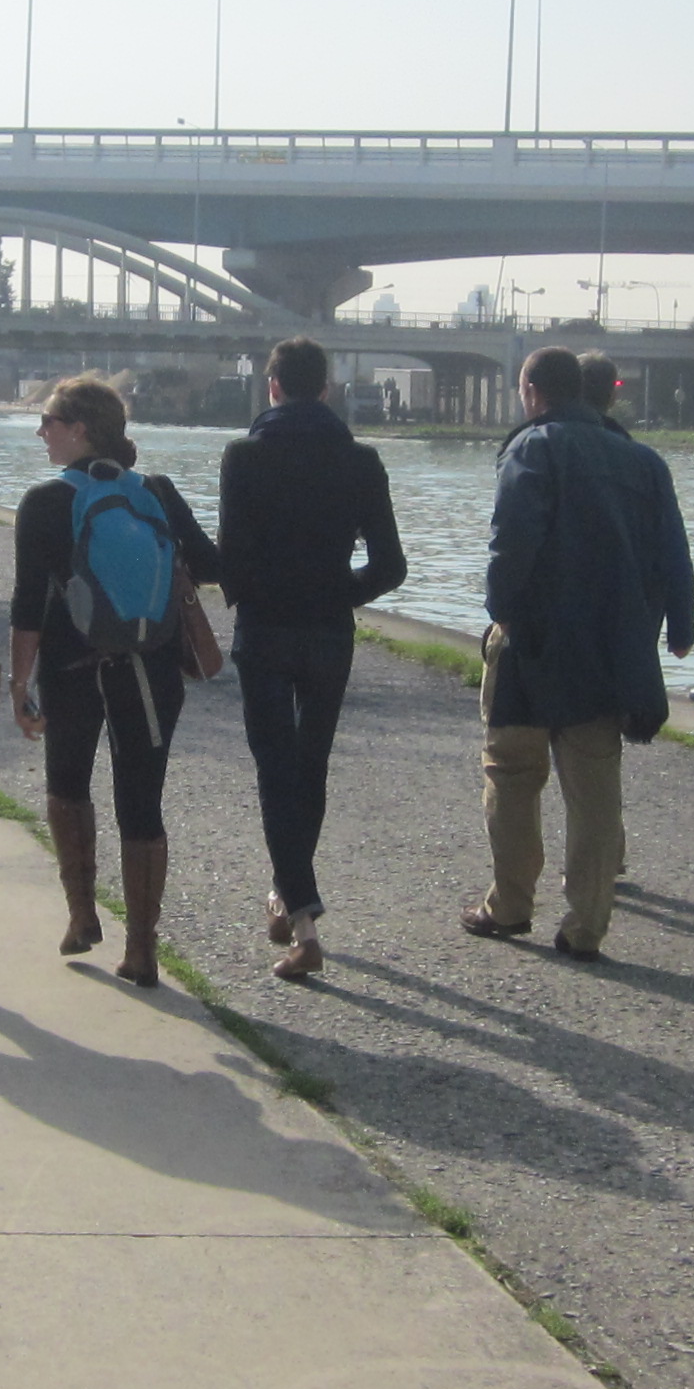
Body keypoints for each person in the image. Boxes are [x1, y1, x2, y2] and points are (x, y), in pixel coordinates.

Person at [9, 371, 218, 987]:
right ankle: (143, 951)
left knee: (68, 787)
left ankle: (80, 917)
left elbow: (28, 607)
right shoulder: (156, 490)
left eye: (48, 421)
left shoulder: (46, 501)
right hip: (149, 669)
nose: (41, 431)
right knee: (142, 802)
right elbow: (211, 565)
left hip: (73, 671)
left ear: (79, 430)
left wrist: (19, 686)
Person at [465, 346, 668, 960]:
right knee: (594, 789)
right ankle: (586, 925)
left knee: (513, 774)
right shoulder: (639, 459)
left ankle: (509, 904)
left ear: (531, 391)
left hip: (533, 640)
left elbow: (512, 540)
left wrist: (501, 610)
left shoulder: (533, 446)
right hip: (605, 647)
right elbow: (662, 554)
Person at [216, 335, 407, 981]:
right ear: (325, 389)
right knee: (310, 765)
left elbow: (232, 559)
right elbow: (391, 565)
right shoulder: (361, 460)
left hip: (265, 629)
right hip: (328, 630)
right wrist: (339, 593)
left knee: (275, 768)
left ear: (271, 387)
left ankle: (303, 922)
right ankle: (285, 892)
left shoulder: (243, 457)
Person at [575, 350, 694, 886]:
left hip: (569, 615)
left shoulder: (544, 449)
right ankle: (609, 851)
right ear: (614, 394)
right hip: (634, 618)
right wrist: (682, 625)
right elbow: (675, 546)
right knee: (602, 743)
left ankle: (575, 861)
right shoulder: (644, 459)